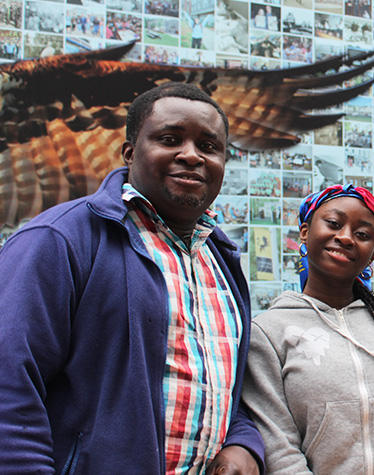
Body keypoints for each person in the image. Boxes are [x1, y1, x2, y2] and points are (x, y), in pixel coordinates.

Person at [0, 83, 263, 472]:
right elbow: (10, 384)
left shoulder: (221, 259)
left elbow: (220, 386)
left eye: (209, 147)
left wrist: (243, 442)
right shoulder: (60, 240)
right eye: (170, 139)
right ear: (129, 153)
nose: (191, 156)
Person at [241, 184, 374, 474]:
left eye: (362, 235)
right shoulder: (268, 332)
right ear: (305, 232)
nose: (346, 237)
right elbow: (279, 448)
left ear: (372, 255)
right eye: (333, 224)